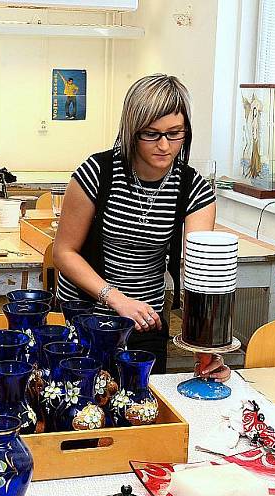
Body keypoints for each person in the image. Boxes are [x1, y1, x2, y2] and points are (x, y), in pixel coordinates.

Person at [53, 73, 229, 380]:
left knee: (141, 403)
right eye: (151, 134)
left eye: (175, 133)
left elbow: (203, 277)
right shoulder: (97, 173)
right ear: (132, 131)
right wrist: (116, 298)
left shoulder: (193, 189)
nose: (164, 145)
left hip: (145, 319)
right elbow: (64, 253)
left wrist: (207, 350)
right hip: (86, 315)